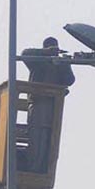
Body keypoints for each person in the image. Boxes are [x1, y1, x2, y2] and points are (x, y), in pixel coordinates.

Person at [19, 37, 75, 173]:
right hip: (38, 105)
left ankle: (42, 169)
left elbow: (70, 80)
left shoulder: (59, 65)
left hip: (53, 108)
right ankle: (33, 168)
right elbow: (24, 54)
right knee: (37, 138)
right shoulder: (38, 62)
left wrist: (65, 64)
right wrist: (45, 53)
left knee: (49, 141)